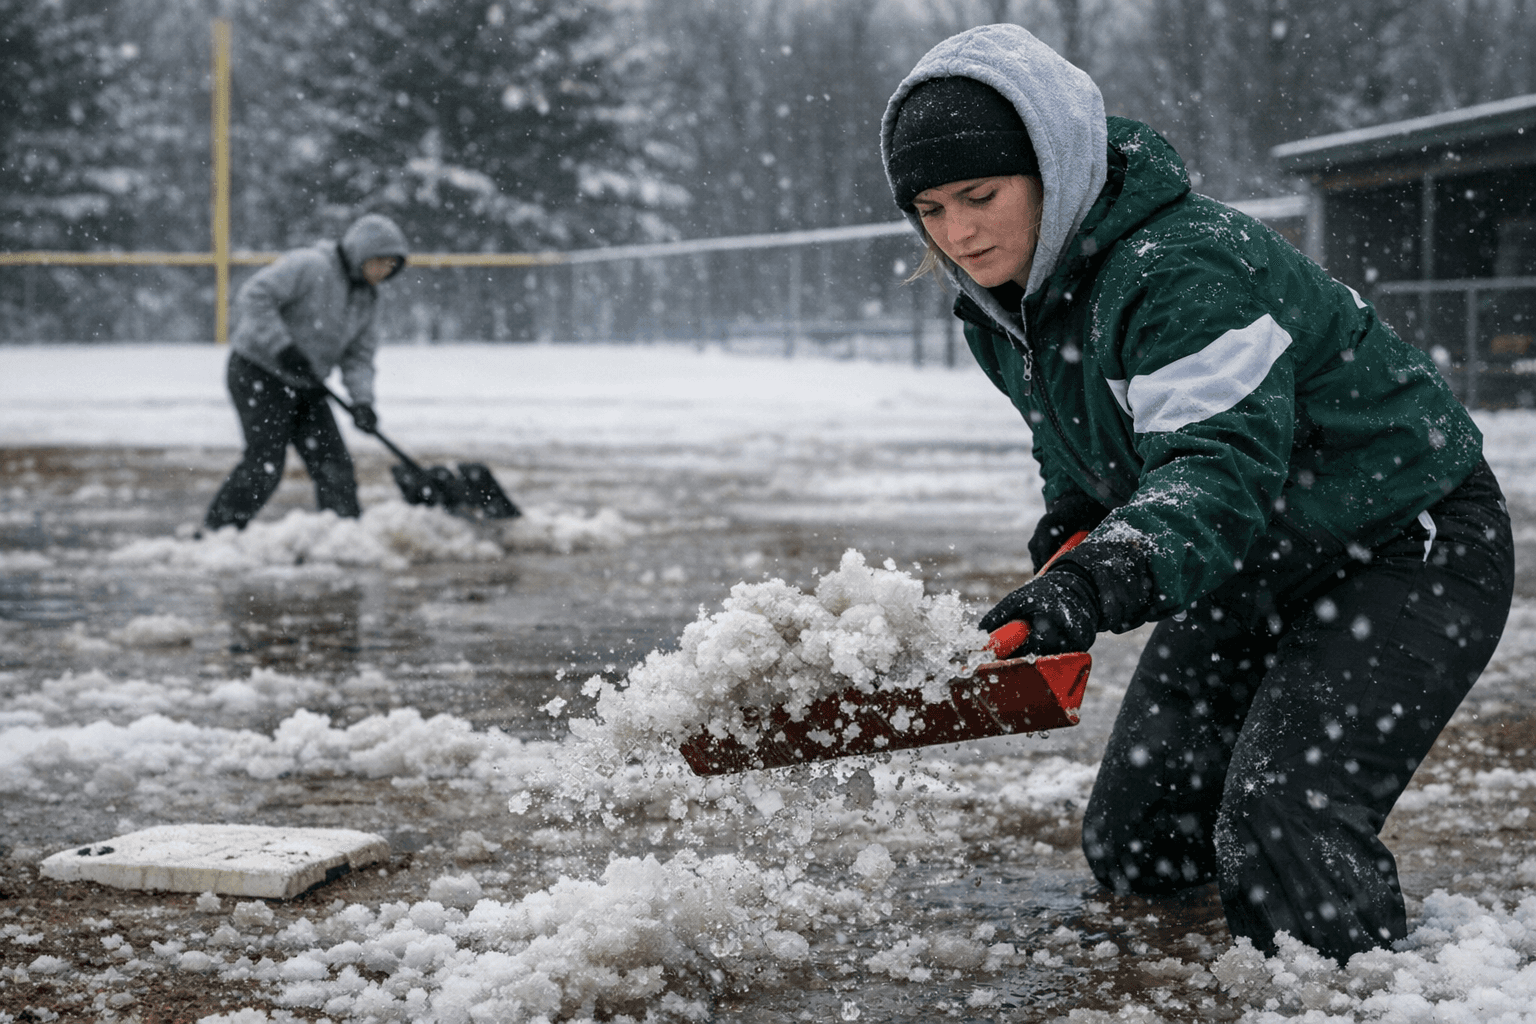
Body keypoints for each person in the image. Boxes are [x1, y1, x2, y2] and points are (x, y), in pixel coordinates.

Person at [881, 24, 1513, 964]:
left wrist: (1101, 579)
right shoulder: (1006, 302)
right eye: (930, 208)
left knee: (1281, 820)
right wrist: (1072, 538)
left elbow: (1216, 467)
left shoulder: (1177, 267)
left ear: (1054, 169)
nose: (959, 233)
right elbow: (1086, 452)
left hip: (1404, 542)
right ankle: (1223, 960)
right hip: (1257, 558)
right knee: (1144, 841)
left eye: (982, 195)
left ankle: (1360, 982)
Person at [204, 213, 409, 531]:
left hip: (306, 383)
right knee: (265, 465)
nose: (384, 271)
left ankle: (345, 536)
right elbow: (255, 296)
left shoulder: (368, 299)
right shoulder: (311, 266)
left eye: (391, 266)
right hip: (258, 371)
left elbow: (358, 357)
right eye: (380, 262)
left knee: (335, 467)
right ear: (361, 253)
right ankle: (218, 533)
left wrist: (363, 402)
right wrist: (282, 347)